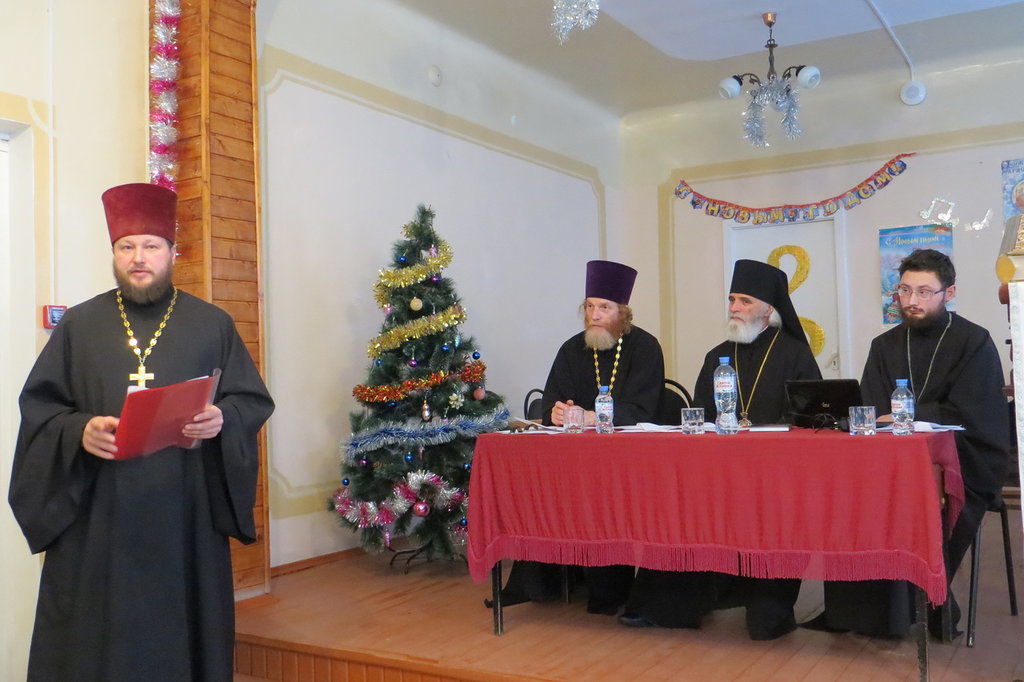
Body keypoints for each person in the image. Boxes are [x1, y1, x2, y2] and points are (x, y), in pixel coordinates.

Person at [8, 182, 275, 681]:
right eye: (125, 247)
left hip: (185, 513)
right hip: (99, 516)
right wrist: (79, 429)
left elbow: (251, 400)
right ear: (114, 254)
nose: (138, 258)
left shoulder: (211, 324)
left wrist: (222, 417)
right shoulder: (80, 325)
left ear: (173, 252)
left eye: (151, 246)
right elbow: (40, 406)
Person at [804, 248, 1010, 638]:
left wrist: (906, 416)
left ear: (949, 293)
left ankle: (925, 604)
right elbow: (870, 408)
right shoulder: (885, 345)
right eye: (904, 290)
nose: (912, 300)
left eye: (924, 292)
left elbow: (974, 414)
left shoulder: (973, 341)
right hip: (892, 461)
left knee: (925, 511)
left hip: (964, 460)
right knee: (850, 501)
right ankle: (856, 614)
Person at [620, 259, 821, 640]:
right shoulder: (717, 357)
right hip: (717, 471)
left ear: (767, 310)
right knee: (682, 507)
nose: (734, 308)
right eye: (732, 299)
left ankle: (768, 610)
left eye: (744, 301)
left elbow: (810, 420)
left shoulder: (795, 355)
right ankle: (668, 607)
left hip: (773, 474)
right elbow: (700, 414)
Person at [490, 259, 666, 614]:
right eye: (589, 306)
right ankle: (541, 583)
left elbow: (645, 409)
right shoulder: (572, 349)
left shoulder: (645, 347)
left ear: (623, 312)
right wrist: (555, 413)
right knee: (540, 489)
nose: (594, 315)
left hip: (629, 463)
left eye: (604, 308)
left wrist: (593, 416)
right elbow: (551, 402)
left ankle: (609, 588)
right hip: (574, 460)